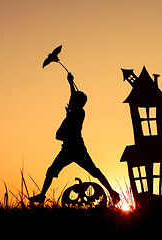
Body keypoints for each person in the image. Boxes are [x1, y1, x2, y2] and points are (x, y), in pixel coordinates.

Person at [29, 72, 120, 205]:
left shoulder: (78, 113)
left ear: (77, 103)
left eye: (73, 100)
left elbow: (72, 103)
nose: (70, 101)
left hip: (75, 150)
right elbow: (59, 133)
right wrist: (71, 83)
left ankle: (112, 192)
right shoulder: (72, 114)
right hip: (69, 150)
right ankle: (42, 195)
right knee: (52, 171)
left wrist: (71, 84)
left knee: (93, 171)